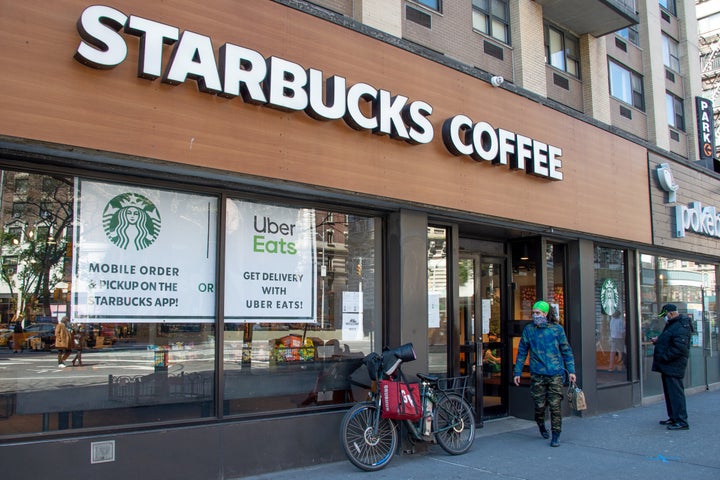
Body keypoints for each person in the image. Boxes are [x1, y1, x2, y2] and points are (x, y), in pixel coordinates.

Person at [513, 300, 576, 447]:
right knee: (539, 405)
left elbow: (566, 350)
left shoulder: (557, 330)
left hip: (555, 373)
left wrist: (571, 370)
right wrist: (518, 372)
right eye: (534, 313)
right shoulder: (529, 330)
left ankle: (556, 435)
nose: (535, 315)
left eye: (538, 313)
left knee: (555, 405)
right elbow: (522, 351)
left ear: (545, 314)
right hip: (537, 374)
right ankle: (540, 423)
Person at [651, 303, 693, 430]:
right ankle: (674, 417)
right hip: (669, 365)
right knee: (670, 393)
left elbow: (679, 348)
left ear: (672, 313)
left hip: (673, 365)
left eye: (666, 315)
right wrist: (659, 341)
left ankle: (681, 420)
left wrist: (664, 357)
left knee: (675, 393)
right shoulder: (673, 324)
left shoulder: (681, 326)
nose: (665, 317)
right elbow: (671, 340)